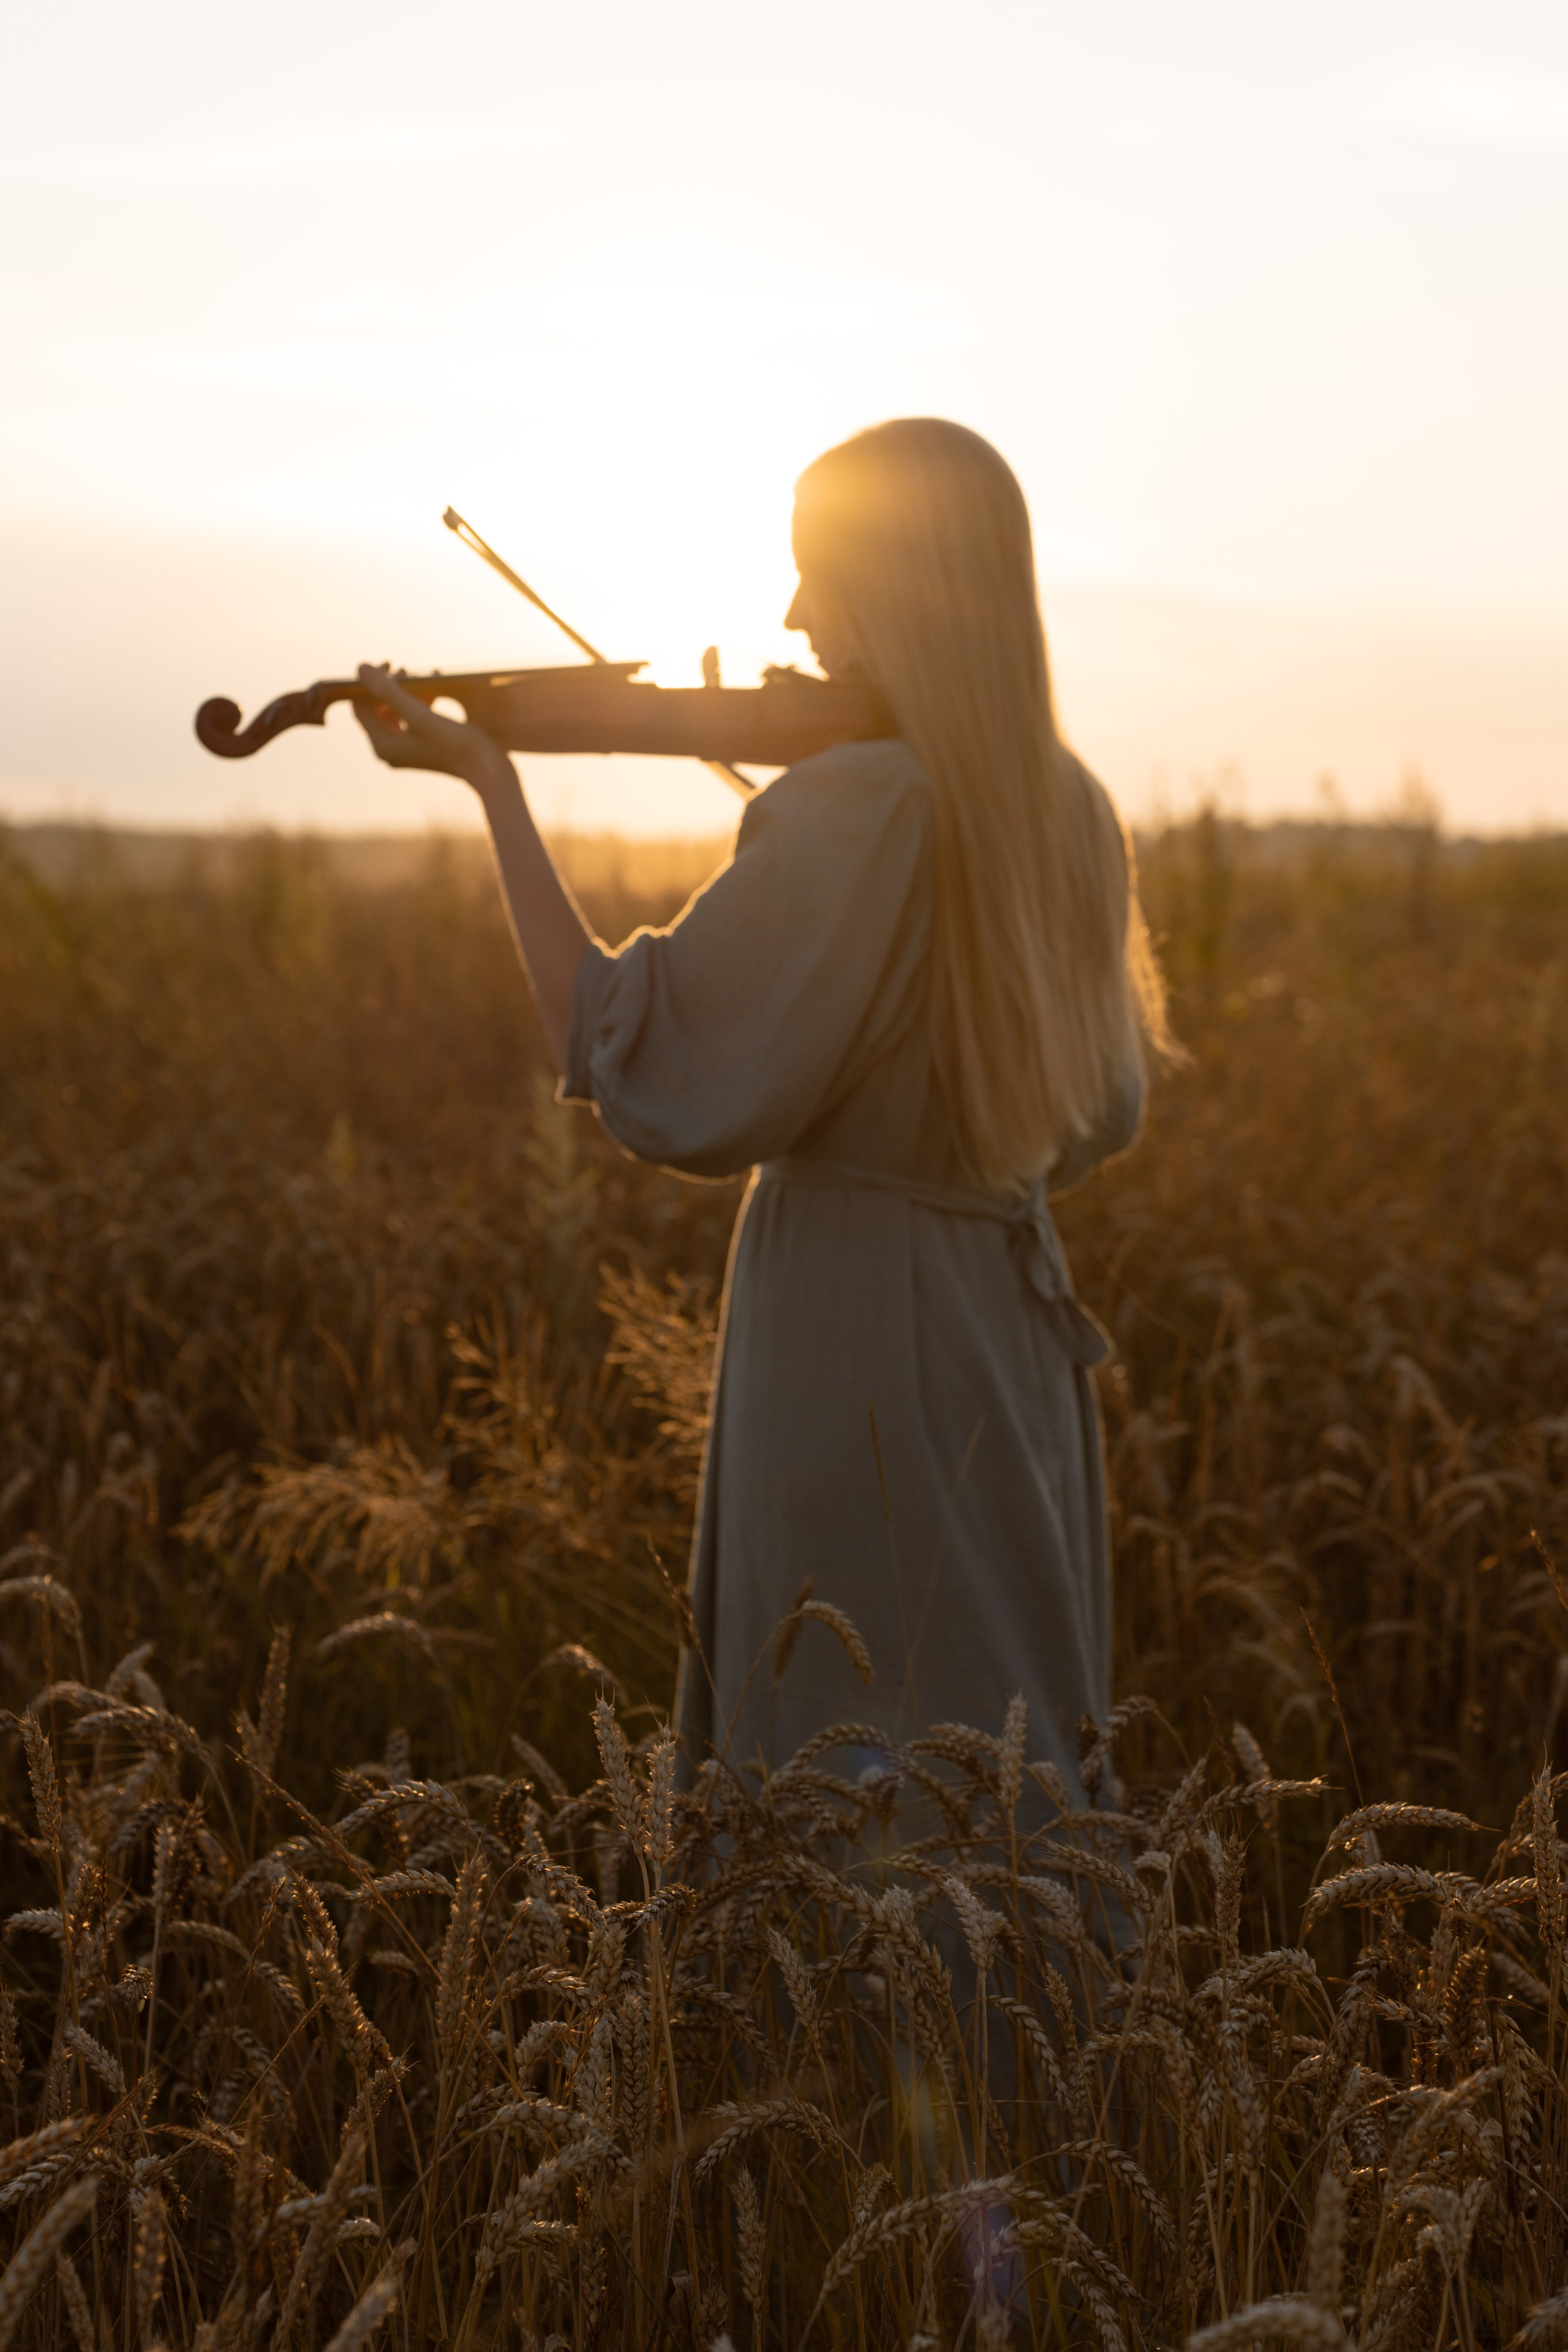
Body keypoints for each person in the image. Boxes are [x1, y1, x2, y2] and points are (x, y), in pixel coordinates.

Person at [354, 417, 1171, 1803]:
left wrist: (493, 787)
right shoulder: (1068, 810)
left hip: (851, 1328)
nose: (791, 614)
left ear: (898, 585)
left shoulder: (853, 805)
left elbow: (624, 1050)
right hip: (1003, 1325)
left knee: (839, 1734)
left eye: (815, 573)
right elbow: (1097, 1111)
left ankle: (841, 2026)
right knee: (997, 1739)